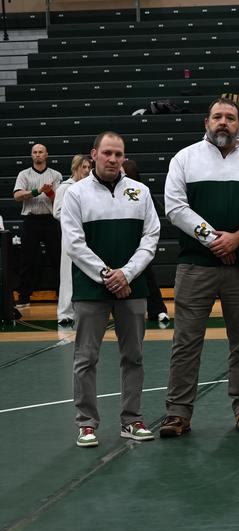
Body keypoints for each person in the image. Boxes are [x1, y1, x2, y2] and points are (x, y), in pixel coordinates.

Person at [160, 97, 239, 437]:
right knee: (186, 341)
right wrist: (214, 241)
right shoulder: (185, 158)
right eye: (217, 117)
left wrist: (238, 238)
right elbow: (174, 207)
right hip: (196, 265)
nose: (223, 122)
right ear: (207, 121)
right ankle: (178, 412)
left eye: (230, 118)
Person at [60, 131, 160, 447]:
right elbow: (74, 243)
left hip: (133, 287)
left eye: (119, 154)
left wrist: (126, 274)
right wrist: (107, 275)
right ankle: (86, 424)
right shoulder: (76, 194)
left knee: (134, 356)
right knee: (85, 358)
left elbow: (151, 237)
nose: (114, 159)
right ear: (94, 154)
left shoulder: (140, 192)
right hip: (91, 289)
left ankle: (132, 420)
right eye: (108, 153)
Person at [12, 144, 62, 308]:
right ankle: (24, 297)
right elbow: (17, 196)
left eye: (41, 152)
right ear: (31, 155)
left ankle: (62, 294)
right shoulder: (23, 174)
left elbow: (59, 201)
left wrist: (49, 192)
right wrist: (36, 191)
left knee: (58, 258)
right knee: (27, 260)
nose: (38, 155)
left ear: (46, 154)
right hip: (31, 220)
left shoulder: (55, 175)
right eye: (35, 152)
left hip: (51, 220)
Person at [121, 159, 171, 324]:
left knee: (147, 277)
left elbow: (153, 218)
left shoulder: (142, 191)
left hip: (139, 243)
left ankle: (158, 310)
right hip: (122, 242)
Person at [53, 154, 91, 326]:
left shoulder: (89, 188)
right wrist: (76, 219)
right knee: (67, 275)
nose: (87, 170)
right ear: (75, 168)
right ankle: (64, 313)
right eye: (83, 167)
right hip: (70, 237)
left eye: (89, 167)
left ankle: (80, 311)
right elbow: (57, 212)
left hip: (87, 237)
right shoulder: (64, 188)